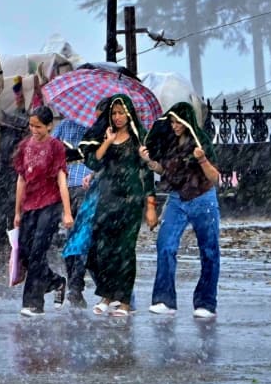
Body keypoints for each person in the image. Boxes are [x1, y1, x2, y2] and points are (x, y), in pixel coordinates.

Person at [139, 101, 222, 319]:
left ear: (187, 122)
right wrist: (149, 161)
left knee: (209, 251)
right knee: (165, 245)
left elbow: (215, 177)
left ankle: (206, 302)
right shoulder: (169, 143)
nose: (175, 126)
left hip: (203, 198)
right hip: (177, 199)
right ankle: (164, 299)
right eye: (172, 122)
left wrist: (201, 159)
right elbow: (164, 169)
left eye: (178, 122)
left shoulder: (200, 141)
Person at [78, 94, 157, 317]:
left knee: (125, 250)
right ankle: (107, 295)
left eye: (122, 112)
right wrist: (108, 141)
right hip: (107, 199)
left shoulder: (139, 139)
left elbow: (147, 173)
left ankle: (124, 301)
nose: (118, 117)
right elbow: (94, 161)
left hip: (131, 201)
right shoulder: (105, 135)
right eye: (114, 113)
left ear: (129, 114)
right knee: (102, 249)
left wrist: (151, 205)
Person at [13, 106, 74, 317]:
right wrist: (17, 212)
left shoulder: (56, 147)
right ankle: (56, 281)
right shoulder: (24, 146)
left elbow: (61, 179)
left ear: (49, 126)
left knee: (39, 250)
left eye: (38, 126)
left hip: (50, 203)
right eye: (31, 126)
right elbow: (21, 179)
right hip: (29, 204)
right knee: (26, 252)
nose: (34, 130)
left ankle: (33, 303)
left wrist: (67, 212)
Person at [53, 113, 96, 308]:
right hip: (85, 187)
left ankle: (73, 283)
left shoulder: (64, 125)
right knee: (82, 237)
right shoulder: (97, 129)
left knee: (72, 236)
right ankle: (75, 285)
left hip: (67, 186)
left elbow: (52, 148)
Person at [0, 76, 29, 246]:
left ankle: (4, 234)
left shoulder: (14, 119)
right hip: (6, 166)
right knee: (3, 200)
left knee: (6, 201)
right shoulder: (18, 119)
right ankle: (3, 234)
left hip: (8, 166)